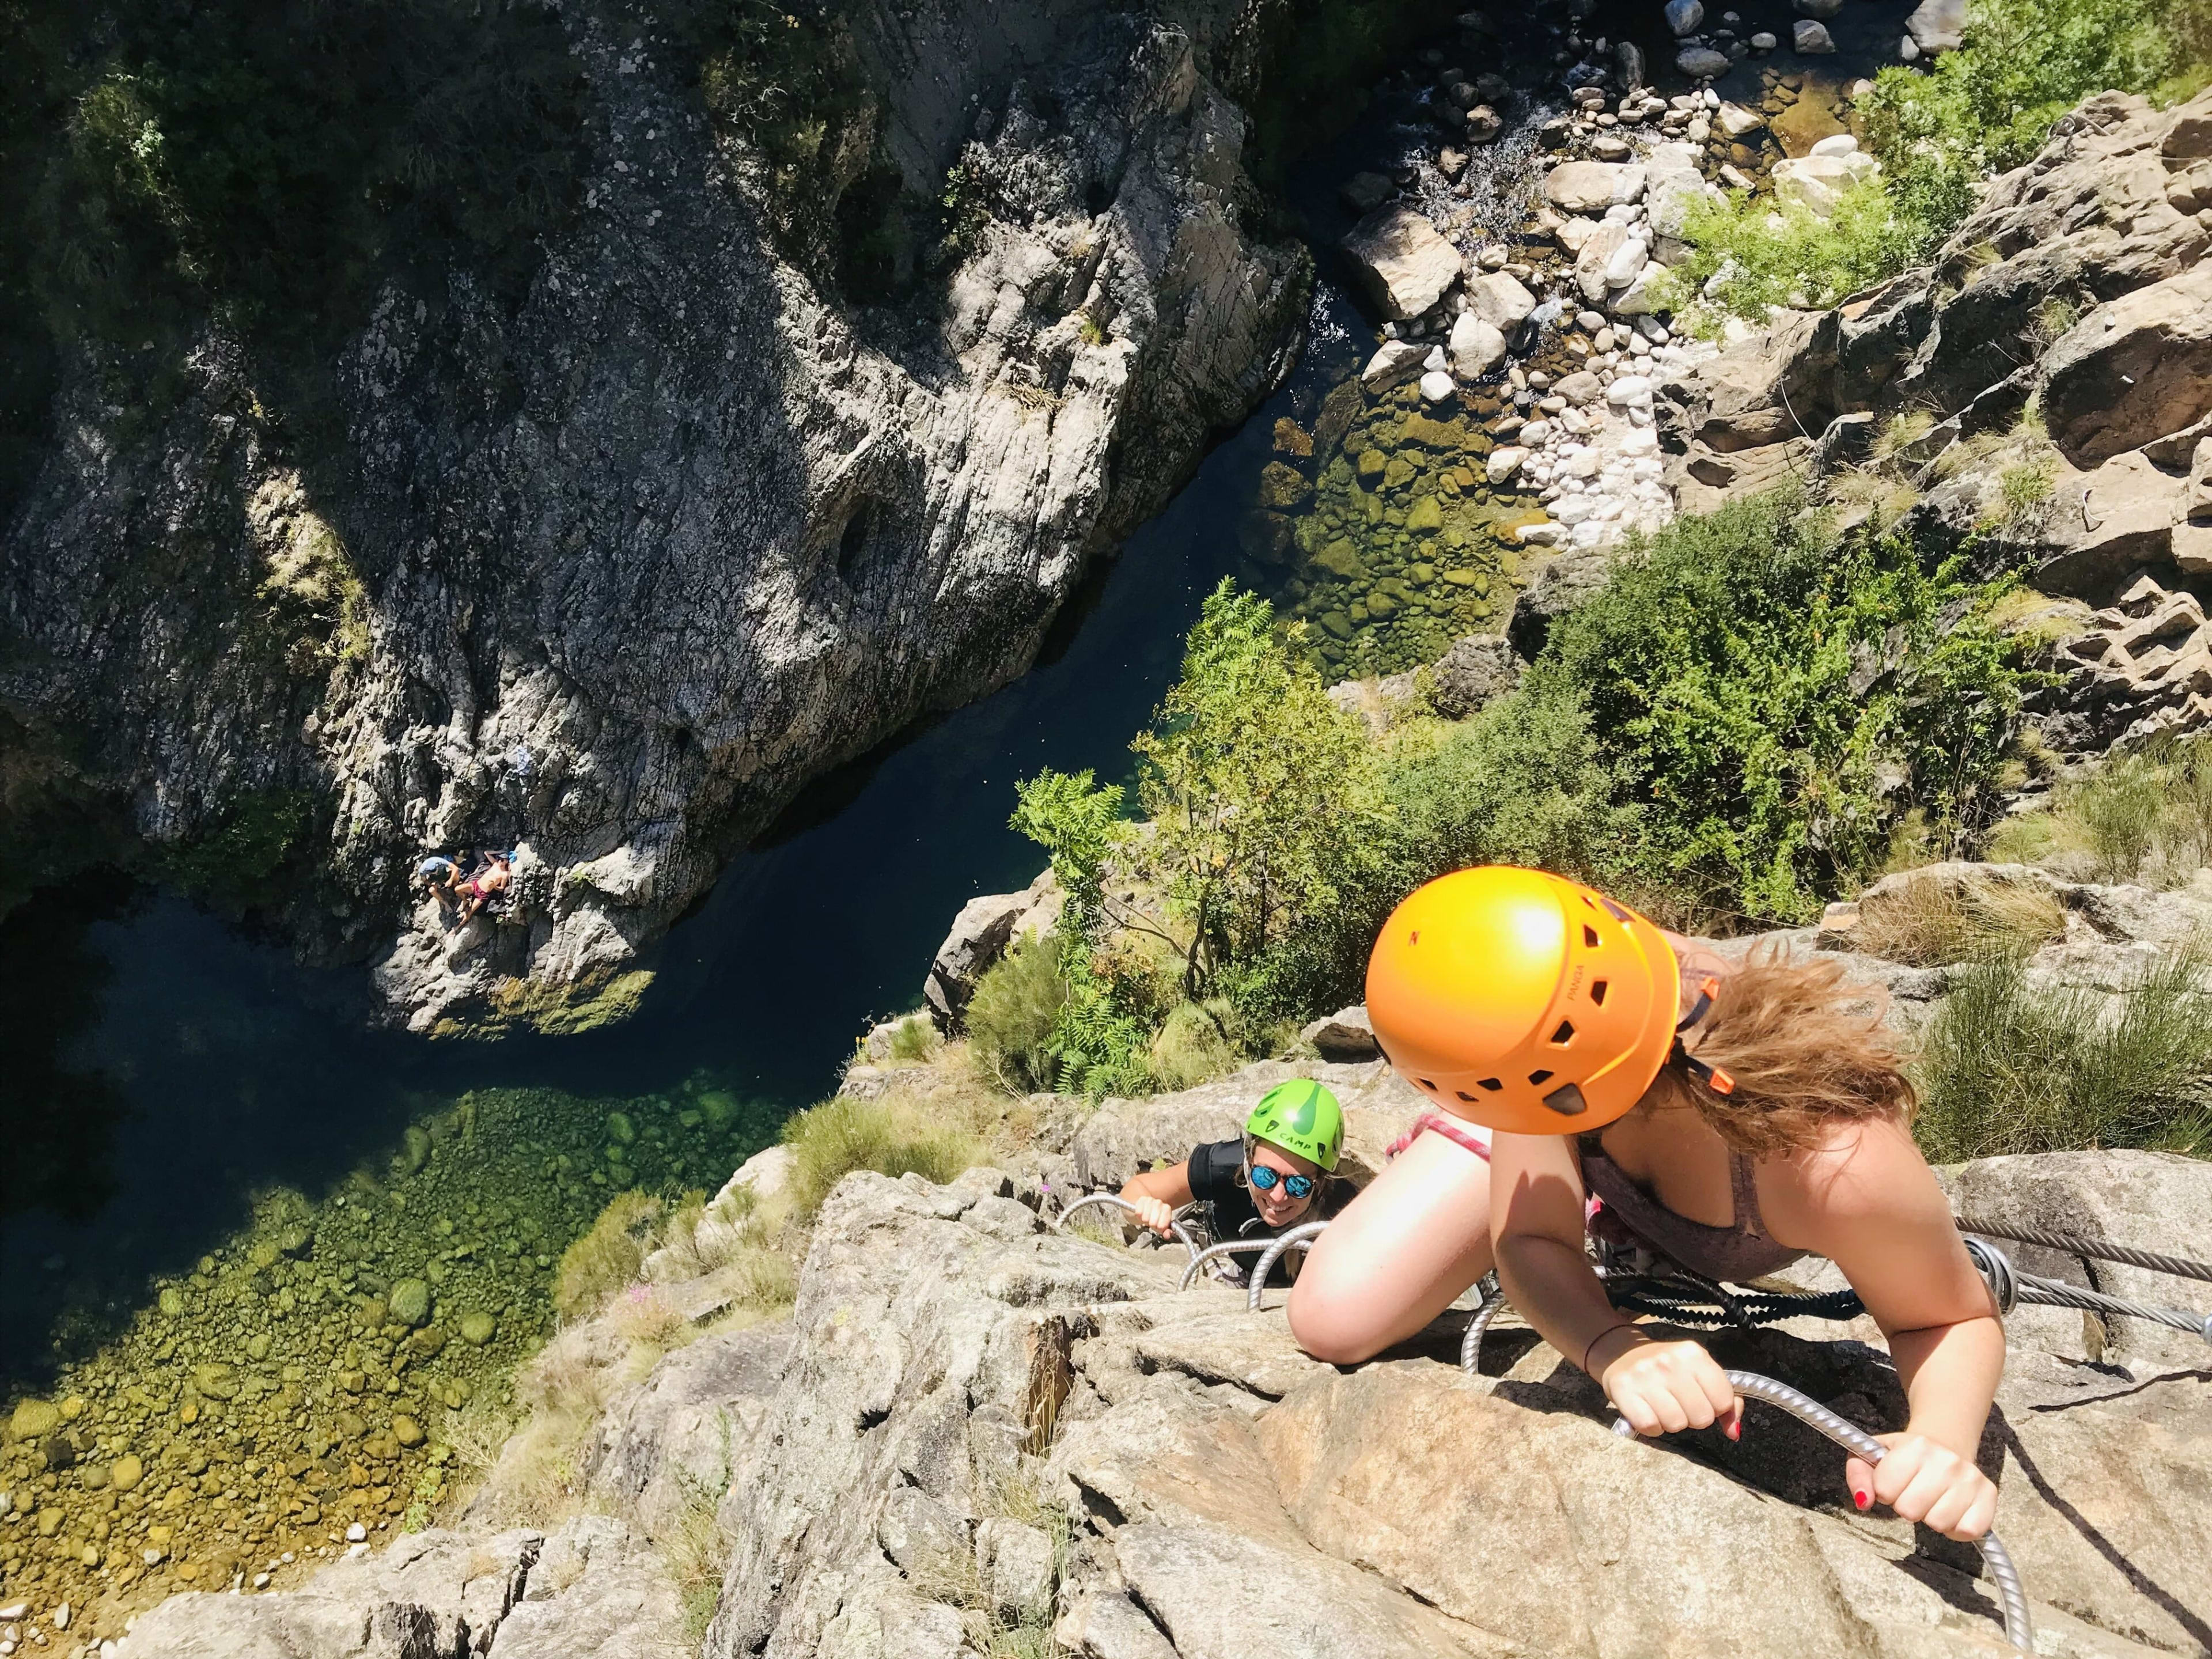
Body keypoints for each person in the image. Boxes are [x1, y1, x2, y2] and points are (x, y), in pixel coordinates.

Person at [1324, 865, 2003, 1543]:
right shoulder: (1570, 1003)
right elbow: (1530, 1241)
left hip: (1545, 1079)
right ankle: (1506, 1141)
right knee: (1335, 1317)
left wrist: (1942, 1443)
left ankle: (1532, 1137)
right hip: (1537, 1078)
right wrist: (1613, 1345)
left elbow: (1947, 1318)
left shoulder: (1834, 1161)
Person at [1119, 1080, 1346, 1281]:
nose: (1278, 1196)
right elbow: (1136, 1191)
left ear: (1321, 1182)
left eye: (1299, 1185)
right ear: (1249, 1157)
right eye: (1265, 1176)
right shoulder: (1222, 1166)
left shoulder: (1345, 1208)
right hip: (1243, 1274)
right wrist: (1145, 1209)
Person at [455, 849, 514, 924]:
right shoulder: (495, 864)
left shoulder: (504, 874)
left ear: (506, 862)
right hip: (476, 886)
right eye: (499, 859)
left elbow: (502, 889)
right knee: (457, 889)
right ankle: (465, 900)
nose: (500, 861)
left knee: (470, 912)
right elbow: (486, 853)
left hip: (483, 894)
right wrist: (499, 852)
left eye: (502, 860)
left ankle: (458, 927)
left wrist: (495, 887)